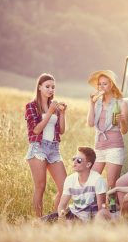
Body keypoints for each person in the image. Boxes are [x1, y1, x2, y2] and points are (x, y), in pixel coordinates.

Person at [24, 73, 67, 217]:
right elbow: (36, 130)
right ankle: (39, 221)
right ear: (39, 87)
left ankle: (55, 217)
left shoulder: (53, 106)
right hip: (38, 147)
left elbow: (61, 130)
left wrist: (62, 114)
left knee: (65, 187)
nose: (50, 90)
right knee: (40, 187)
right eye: (47, 86)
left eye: (53, 87)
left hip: (54, 149)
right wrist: (49, 113)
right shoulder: (31, 106)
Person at [86, 70, 128, 190]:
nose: (101, 87)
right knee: (91, 180)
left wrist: (123, 120)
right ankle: (97, 205)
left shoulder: (121, 104)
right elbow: (90, 123)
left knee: (111, 184)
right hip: (99, 147)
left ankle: (112, 207)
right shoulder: (97, 103)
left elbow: (124, 131)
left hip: (114, 147)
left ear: (111, 85)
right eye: (99, 84)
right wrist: (91, 103)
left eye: (104, 84)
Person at [56, 146, 107, 221]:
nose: (75, 162)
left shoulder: (98, 180)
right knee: (42, 222)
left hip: (92, 218)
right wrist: (61, 217)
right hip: (74, 215)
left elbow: (101, 210)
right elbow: (62, 205)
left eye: (79, 160)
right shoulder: (69, 179)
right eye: (74, 159)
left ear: (88, 165)